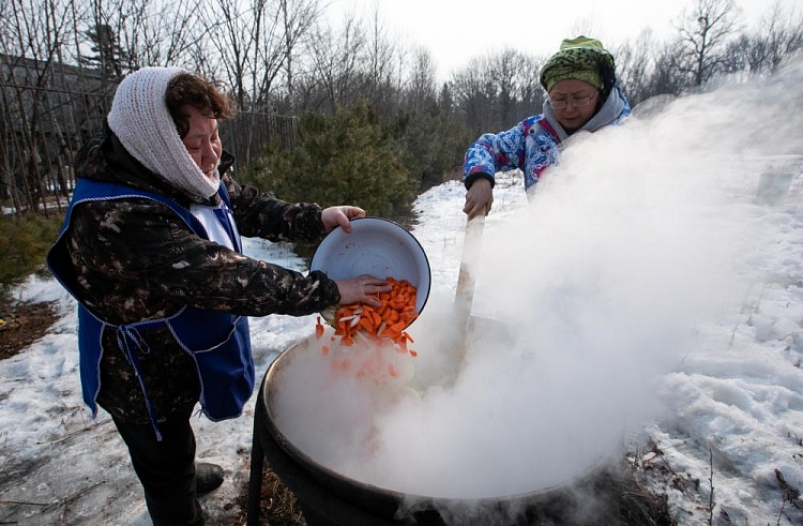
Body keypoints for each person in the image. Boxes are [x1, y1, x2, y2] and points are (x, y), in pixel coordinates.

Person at [46, 67, 390, 526]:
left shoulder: (176, 169)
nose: (211, 155)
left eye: (214, 137)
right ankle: (180, 507)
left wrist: (313, 219)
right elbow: (224, 278)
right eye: (194, 144)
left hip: (180, 343)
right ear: (156, 145)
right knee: (161, 453)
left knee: (178, 433)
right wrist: (329, 291)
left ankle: (183, 468)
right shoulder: (115, 218)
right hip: (139, 370)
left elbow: (239, 203)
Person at [462, 36, 631, 218]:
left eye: (580, 98)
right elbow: (485, 147)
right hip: (547, 243)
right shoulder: (533, 133)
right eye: (559, 99)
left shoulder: (627, 135)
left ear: (600, 94)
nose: (569, 108)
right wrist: (481, 178)